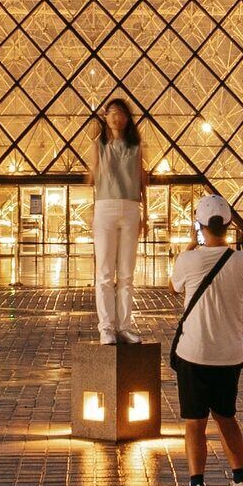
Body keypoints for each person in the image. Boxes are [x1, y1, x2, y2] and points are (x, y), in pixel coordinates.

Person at [164, 194, 243, 486]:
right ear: (230, 224)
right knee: (227, 417)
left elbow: (173, 287)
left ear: (199, 226)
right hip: (229, 354)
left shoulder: (187, 260)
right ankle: (240, 481)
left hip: (194, 351)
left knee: (194, 423)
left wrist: (190, 247)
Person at [87, 98, 146, 344]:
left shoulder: (137, 146)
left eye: (120, 112)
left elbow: (144, 182)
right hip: (105, 207)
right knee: (104, 273)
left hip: (131, 207)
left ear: (127, 117)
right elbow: (92, 172)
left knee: (126, 274)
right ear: (105, 116)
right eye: (111, 112)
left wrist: (147, 215)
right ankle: (106, 328)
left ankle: (124, 326)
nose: (115, 117)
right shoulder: (98, 144)